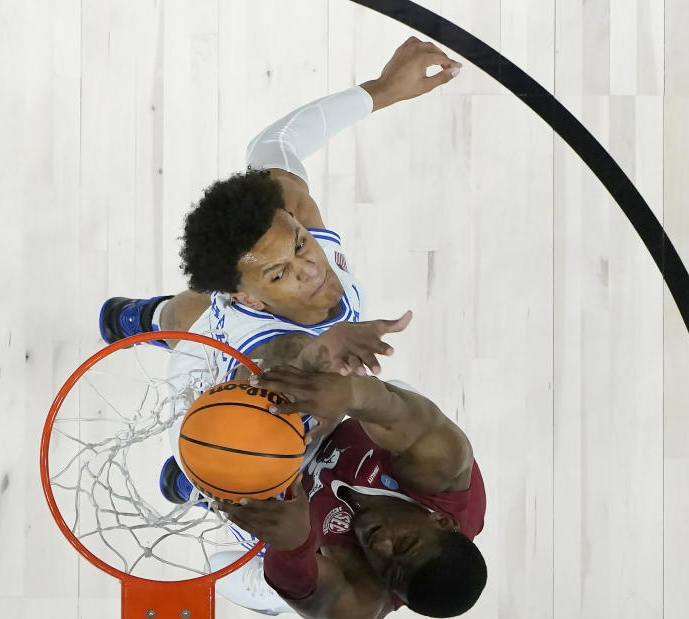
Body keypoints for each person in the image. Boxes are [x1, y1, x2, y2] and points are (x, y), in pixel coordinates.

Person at [99, 36, 464, 380]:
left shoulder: (293, 210)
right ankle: (149, 320)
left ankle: (150, 316)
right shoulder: (255, 355)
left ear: (292, 222)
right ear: (246, 300)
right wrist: (322, 350)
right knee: (187, 321)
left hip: (245, 295)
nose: (308, 268)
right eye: (279, 273)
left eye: (301, 244)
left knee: (194, 308)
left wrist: (383, 89)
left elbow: (274, 142)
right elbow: (282, 354)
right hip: (225, 382)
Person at [215, 364, 487, 619]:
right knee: (378, 401)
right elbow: (399, 412)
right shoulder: (440, 466)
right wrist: (351, 394)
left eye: (388, 571)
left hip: (307, 516)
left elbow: (327, 596)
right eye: (404, 543)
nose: (380, 546)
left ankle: (279, 592)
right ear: (440, 520)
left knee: (266, 571)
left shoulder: (363, 603)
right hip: (369, 439)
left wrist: (293, 549)